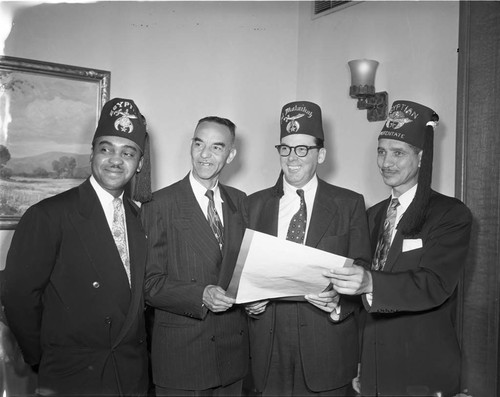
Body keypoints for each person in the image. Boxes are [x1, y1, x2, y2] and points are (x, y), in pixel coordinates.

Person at [1, 98, 151, 396]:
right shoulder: (49, 215)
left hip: (130, 377)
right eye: (106, 149)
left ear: (140, 164)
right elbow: (18, 296)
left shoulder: (139, 218)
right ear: (91, 153)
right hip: (72, 377)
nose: (115, 160)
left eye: (128, 152)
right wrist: (46, 356)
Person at [326, 100, 473, 396]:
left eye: (398, 153)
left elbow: (434, 283)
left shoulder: (450, 214)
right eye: (381, 152)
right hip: (374, 368)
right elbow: (365, 297)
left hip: (421, 368)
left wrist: (370, 282)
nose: (386, 162)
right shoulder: (373, 214)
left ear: (421, 157)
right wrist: (338, 304)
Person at [245, 101, 371, 396]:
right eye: (285, 148)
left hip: (326, 349)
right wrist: (249, 304)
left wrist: (340, 301)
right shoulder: (253, 204)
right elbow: (242, 272)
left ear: (321, 154)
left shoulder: (349, 204)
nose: (292, 158)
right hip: (269, 350)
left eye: (302, 149)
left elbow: (364, 270)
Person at [141, 116, 249, 396]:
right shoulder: (159, 204)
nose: (204, 155)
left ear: (230, 154)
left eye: (216, 147)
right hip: (183, 360)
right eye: (199, 143)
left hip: (233, 359)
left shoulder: (241, 202)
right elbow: (149, 285)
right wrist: (200, 294)